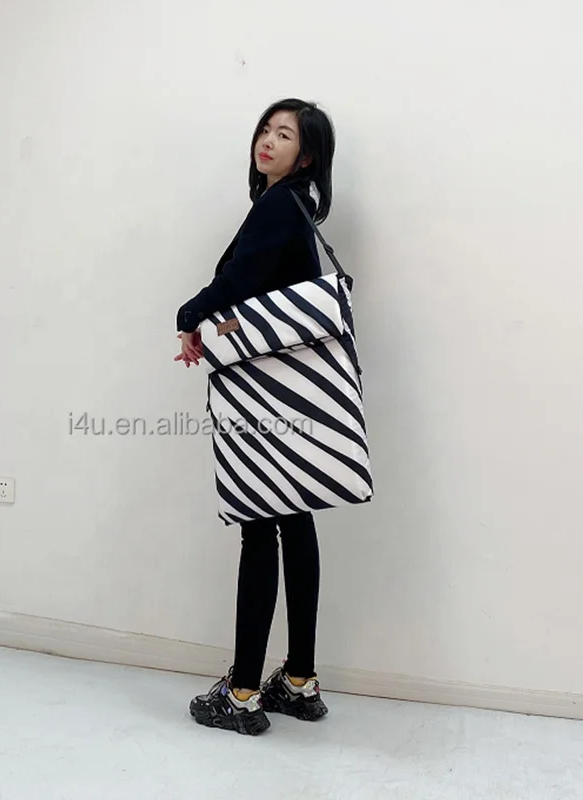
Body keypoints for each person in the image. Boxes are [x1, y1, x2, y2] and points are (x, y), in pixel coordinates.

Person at [174, 98, 336, 735]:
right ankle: (298, 681)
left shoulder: (277, 206)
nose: (267, 141)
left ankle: (242, 692)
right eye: (265, 129)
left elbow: (240, 280)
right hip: (295, 392)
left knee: (259, 528)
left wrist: (189, 315)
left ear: (308, 155)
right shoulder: (294, 207)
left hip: (264, 393)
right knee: (294, 520)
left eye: (284, 134)